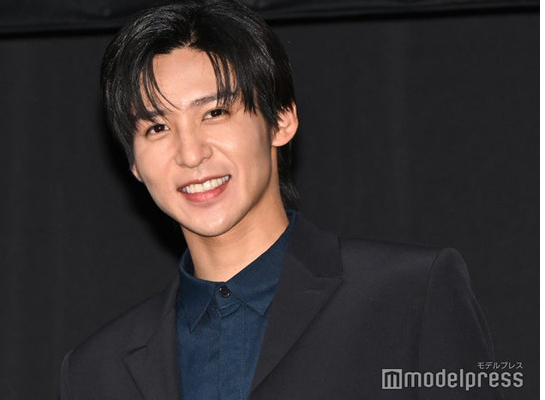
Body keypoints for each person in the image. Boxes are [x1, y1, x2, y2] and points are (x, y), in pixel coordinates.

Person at [60, 0, 504, 399]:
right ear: (135, 164)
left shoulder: (411, 294)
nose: (190, 154)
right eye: (157, 128)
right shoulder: (96, 370)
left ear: (281, 119)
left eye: (215, 112)